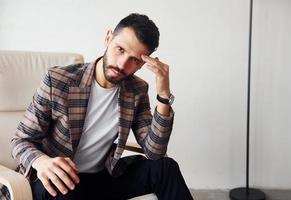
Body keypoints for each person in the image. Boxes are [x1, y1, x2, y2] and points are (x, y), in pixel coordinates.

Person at [0, 13, 193, 200]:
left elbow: (154, 151)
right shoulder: (58, 81)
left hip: (100, 177)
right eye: (120, 49)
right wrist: (41, 162)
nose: (122, 64)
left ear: (143, 64)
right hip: (56, 179)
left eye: (134, 60)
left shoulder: (137, 90)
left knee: (165, 168)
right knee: (65, 189)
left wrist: (164, 95)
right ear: (108, 38)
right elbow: (20, 141)